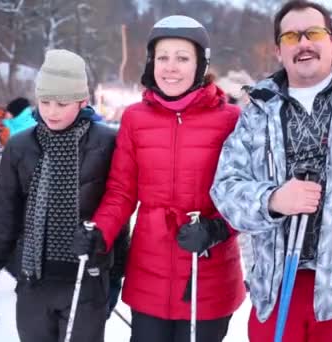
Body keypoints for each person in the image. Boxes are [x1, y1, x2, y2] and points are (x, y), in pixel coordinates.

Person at [210, 1, 332, 341]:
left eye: (313, 33)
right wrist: (272, 200)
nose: (303, 43)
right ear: (278, 50)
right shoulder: (258, 111)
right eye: (291, 36)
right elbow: (225, 189)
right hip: (278, 290)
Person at [73, 15, 245, 342]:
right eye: (162, 58)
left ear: (200, 64)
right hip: (149, 270)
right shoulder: (136, 118)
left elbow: (248, 196)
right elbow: (121, 192)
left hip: (206, 271)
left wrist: (217, 228)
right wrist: (100, 233)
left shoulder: (231, 119)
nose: (170, 67)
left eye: (182, 58)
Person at [0, 49, 130, 342]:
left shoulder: (107, 143)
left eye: (62, 103)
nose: (51, 111)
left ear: (83, 102)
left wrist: (115, 275)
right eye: (45, 102)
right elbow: (4, 217)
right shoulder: (19, 146)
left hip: (86, 281)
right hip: (33, 282)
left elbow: (118, 210)